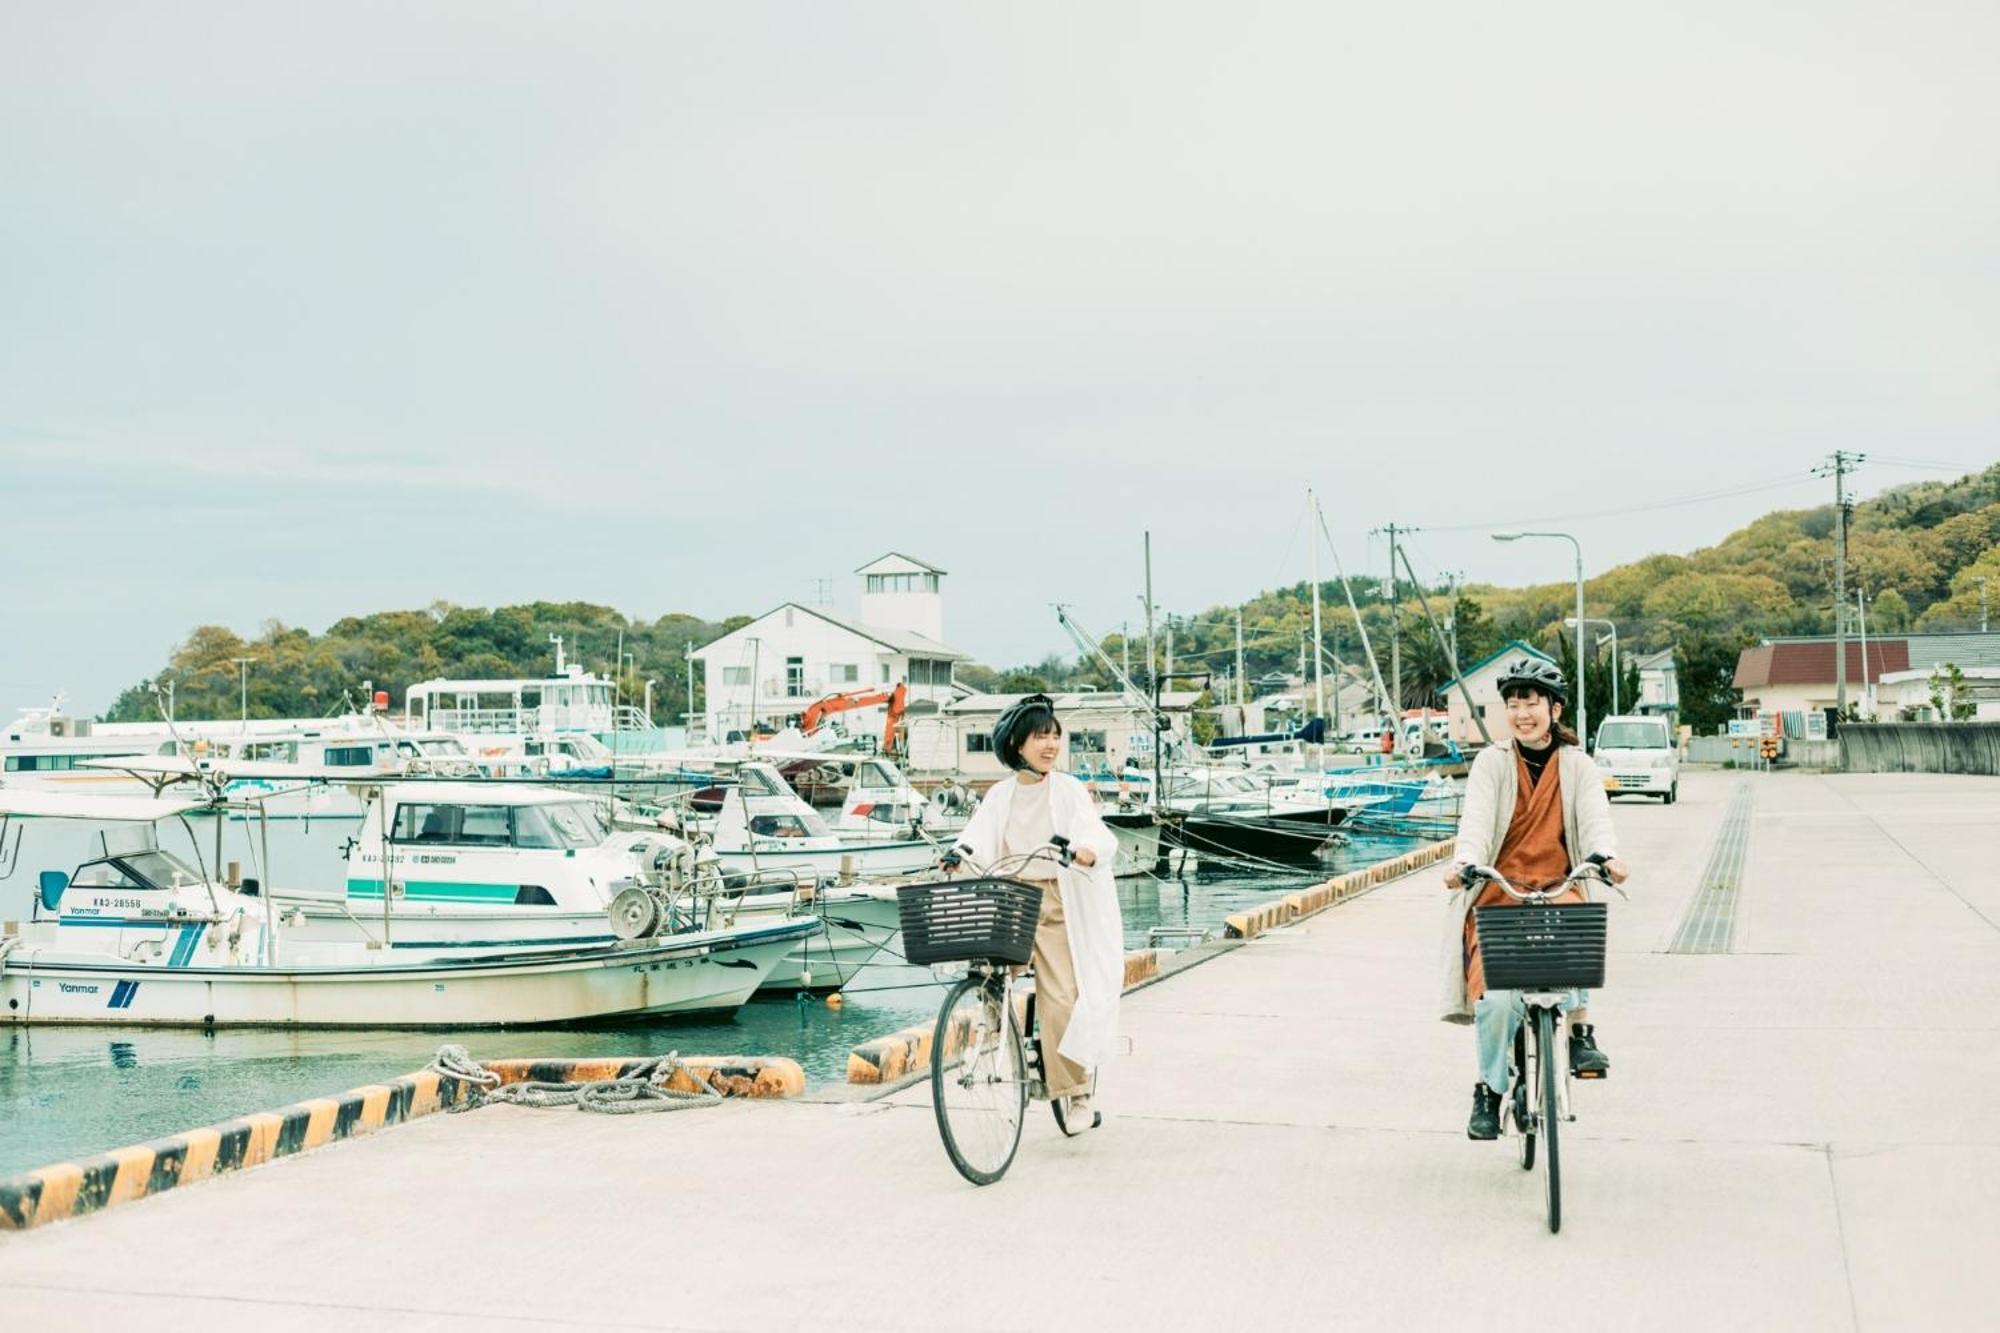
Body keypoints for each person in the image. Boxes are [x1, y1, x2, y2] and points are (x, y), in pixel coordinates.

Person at [1439, 657, 1630, 1140]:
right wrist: (1464, 863)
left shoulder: (1578, 764)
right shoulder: (1491, 762)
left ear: (1555, 708)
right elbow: (1477, 822)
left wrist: (1606, 858)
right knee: (1499, 1002)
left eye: (1532, 703)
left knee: (1580, 924)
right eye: (1513, 704)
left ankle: (1581, 1031)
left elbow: (1595, 820)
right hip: (1499, 892)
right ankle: (1490, 1088)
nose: (1522, 713)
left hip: (1557, 885)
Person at [947, 694, 1124, 1134]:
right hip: (1010, 896)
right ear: (1017, 745)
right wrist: (957, 855)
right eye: (1040, 737)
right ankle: (991, 1023)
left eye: (1054, 736)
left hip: (1055, 900)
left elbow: (1096, 834)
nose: (1050, 744)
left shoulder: (1066, 789)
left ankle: (1078, 1092)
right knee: (987, 969)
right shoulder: (999, 795)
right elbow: (977, 838)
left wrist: (1085, 852)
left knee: (1061, 997)